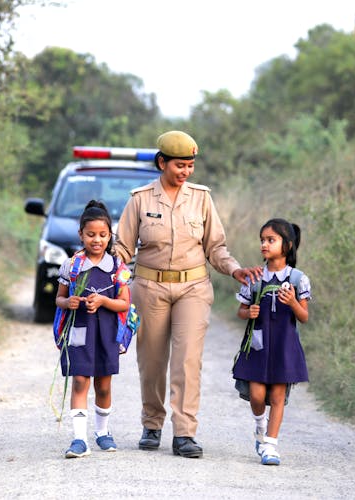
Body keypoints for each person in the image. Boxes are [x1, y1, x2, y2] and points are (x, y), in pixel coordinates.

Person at [114, 130, 260, 458]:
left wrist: (235, 269)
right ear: (162, 162)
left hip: (193, 287)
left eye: (190, 165)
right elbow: (123, 247)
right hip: (149, 287)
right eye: (180, 165)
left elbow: (216, 247)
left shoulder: (201, 198)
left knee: (188, 360)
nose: (185, 172)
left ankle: (184, 433)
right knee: (151, 359)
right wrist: (103, 268)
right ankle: (152, 423)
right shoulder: (139, 199)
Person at [54, 200, 131, 459]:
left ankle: (102, 432)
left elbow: (124, 303)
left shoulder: (117, 268)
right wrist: (69, 302)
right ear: (81, 235)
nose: (96, 240)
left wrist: (103, 301)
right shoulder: (72, 266)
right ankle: (79, 439)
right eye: (90, 234)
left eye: (102, 234)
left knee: (104, 386)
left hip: (106, 333)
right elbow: (59, 298)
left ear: (110, 235)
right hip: (79, 332)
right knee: (79, 381)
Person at [232, 218, 312, 466]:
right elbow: (241, 311)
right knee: (256, 396)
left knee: (277, 396)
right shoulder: (255, 277)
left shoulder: (298, 279)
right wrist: (249, 312)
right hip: (258, 345)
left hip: (284, 346)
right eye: (262, 240)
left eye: (271, 240)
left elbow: (304, 317)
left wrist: (293, 303)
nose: (264, 245)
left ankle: (271, 446)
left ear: (286, 245)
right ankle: (260, 427)